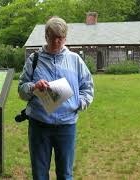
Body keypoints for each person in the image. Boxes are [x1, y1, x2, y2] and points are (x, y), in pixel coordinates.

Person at [18, 17, 94, 180]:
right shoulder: (34, 60)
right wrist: (33, 87)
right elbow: (21, 91)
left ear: (65, 38)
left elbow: (88, 87)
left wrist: (79, 103)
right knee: (39, 174)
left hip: (67, 126)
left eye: (61, 38)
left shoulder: (75, 60)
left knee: (65, 174)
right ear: (46, 37)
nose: (57, 42)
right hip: (39, 126)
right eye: (53, 38)